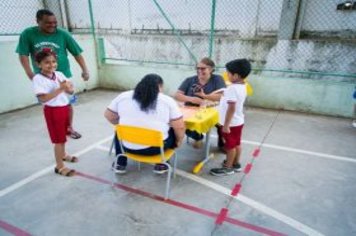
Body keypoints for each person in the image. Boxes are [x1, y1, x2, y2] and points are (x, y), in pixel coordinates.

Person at [16, 9, 89, 139]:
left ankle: (69, 127)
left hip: (63, 75)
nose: (52, 25)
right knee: (49, 103)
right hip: (44, 76)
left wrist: (85, 69)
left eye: (55, 22)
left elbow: (76, 53)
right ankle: (56, 128)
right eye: (48, 23)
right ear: (38, 21)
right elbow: (23, 55)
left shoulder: (63, 34)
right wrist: (30, 73)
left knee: (67, 103)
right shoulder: (28, 34)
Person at [104, 74, 185, 174]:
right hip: (155, 150)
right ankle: (161, 164)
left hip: (126, 147)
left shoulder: (123, 96)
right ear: (159, 87)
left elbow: (109, 116)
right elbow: (180, 127)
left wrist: (126, 122)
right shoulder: (167, 100)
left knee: (119, 130)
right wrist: (179, 141)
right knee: (172, 129)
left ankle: (120, 163)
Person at [32, 49, 78, 177]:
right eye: (47, 62)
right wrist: (61, 88)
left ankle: (63, 155)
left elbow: (70, 91)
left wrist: (69, 88)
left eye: (53, 61)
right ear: (38, 64)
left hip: (64, 108)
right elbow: (43, 98)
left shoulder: (59, 74)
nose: (51, 65)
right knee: (58, 139)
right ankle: (59, 166)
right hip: (53, 111)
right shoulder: (38, 79)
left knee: (64, 135)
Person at [210, 59, 251, 176]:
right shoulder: (243, 85)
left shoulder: (232, 88)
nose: (226, 75)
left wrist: (226, 125)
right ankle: (236, 163)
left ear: (236, 75)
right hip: (238, 121)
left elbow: (231, 108)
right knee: (237, 143)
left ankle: (228, 167)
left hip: (231, 124)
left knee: (229, 146)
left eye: (228, 73)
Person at [174, 57, 226, 149]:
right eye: (197, 68)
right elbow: (177, 95)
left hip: (211, 109)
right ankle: (197, 137)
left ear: (211, 69)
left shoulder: (217, 79)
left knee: (222, 122)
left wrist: (204, 97)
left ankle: (222, 141)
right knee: (179, 121)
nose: (199, 70)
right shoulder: (189, 80)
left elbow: (221, 96)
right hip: (191, 108)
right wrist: (191, 99)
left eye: (203, 68)